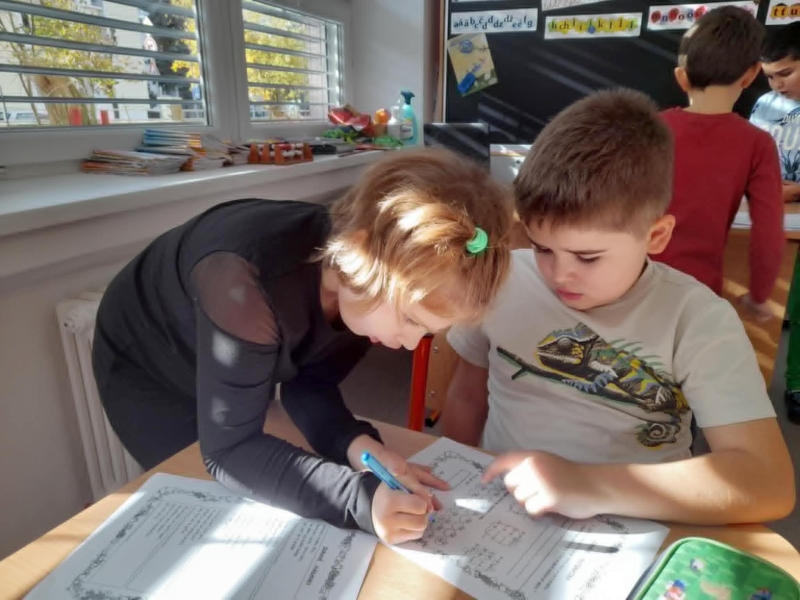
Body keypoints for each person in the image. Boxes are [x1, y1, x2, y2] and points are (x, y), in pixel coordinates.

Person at [92, 148, 513, 544]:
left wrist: (360, 447)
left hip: (229, 345)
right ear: (361, 256)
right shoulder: (243, 283)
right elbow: (229, 451)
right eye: (411, 320)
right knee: (209, 512)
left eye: (428, 332)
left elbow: (310, 381)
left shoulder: (360, 286)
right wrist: (360, 500)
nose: (409, 344)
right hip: (147, 364)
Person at [443, 89, 795, 525]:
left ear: (656, 236)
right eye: (542, 248)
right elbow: (466, 396)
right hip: (508, 511)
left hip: (638, 522)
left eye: (588, 258)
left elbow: (767, 482)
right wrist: (461, 480)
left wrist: (587, 485)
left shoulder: (696, 318)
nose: (560, 274)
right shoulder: (502, 279)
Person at [658, 6, 783, 324]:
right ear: (752, 74)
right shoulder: (757, 144)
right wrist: (758, 295)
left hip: (629, 278)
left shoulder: (649, 128)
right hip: (698, 292)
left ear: (681, 77)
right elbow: (768, 232)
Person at [750, 22, 800, 422]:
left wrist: (796, 191)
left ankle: (796, 384)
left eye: (786, 73)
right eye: (769, 76)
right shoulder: (764, 105)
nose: (777, 84)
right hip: (766, 221)